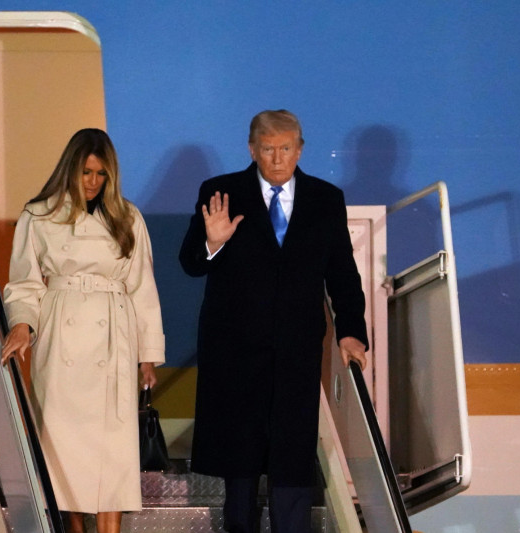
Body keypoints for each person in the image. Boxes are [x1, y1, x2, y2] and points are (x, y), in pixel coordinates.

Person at [179, 110, 368, 533]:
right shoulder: (221, 192)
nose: (278, 158)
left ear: (300, 149)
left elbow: (342, 273)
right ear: (252, 149)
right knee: (241, 466)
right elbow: (190, 263)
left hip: (297, 352)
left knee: (292, 462)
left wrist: (352, 331)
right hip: (236, 352)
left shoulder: (325, 198)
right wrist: (212, 242)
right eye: (268, 149)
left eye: (286, 149)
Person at [1, 128, 165, 533]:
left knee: (112, 450)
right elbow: (24, 282)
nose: (93, 182)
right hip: (62, 338)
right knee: (63, 449)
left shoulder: (128, 217)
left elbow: (143, 287)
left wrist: (147, 355)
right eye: (87, 172)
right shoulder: (38, 215)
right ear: (71, 169)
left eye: (102, 174)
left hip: (113, 337)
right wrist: (22, 325)